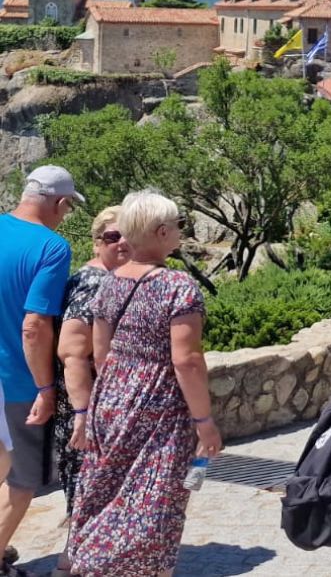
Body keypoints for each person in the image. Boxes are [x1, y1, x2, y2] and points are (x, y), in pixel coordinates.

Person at [68, 190, 221, 577]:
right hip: (159, 407)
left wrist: (119, 389)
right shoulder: (178, 287)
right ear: (162, 231)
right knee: (156, 504)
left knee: (104, 492)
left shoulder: (109, 283)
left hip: (111, 401)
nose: (181, 231)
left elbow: (100, 354)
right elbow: (186, 361)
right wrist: (204, 421)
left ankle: (91, 560)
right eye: (178, 225)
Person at [0, 166, 80, 576]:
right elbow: (34, 326)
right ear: (59, 203)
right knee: (23, 479)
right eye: (67, 208)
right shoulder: (52, 247)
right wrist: (46, 389)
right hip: (16, 381)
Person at [50, 206, 128, 575]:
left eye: (129, 234)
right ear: (97, 242)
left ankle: (76, 563)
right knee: (89, 492)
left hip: (100, 407)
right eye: (113, 236)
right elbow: (72, 352)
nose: (122, 242)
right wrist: (83, 413)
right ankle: (71, 566)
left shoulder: (110, 280)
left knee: (92, 494)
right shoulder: (93, 284)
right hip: (89, 410)